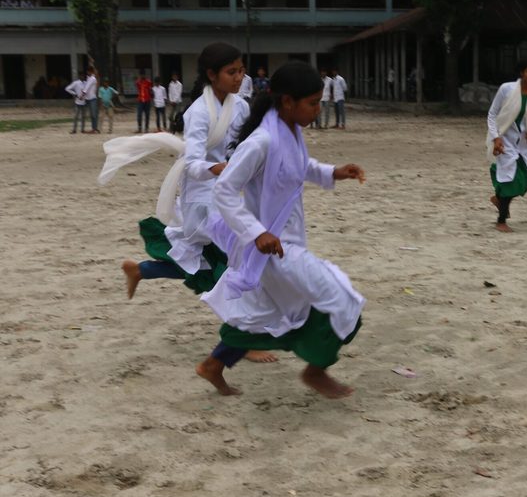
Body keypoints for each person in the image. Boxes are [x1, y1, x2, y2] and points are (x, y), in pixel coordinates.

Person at [197, 60, 367, 398]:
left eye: (320, 102)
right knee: (344, 299)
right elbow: (225, 190)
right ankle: (316, 371)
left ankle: (212, 366)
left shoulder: (290, 130)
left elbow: (301, 167)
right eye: (313, 103)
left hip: (285, 242)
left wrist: (334, 172)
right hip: (271, 248)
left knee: (265, 313)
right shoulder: (261, 141)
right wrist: (256, 233)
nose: (318, 110)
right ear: (287, 102)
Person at [107, 42, 276, 364]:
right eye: (232, 72)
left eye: (241, 70)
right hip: (202, 197)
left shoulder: (239, 106)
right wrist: (220, 168)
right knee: (234, 262)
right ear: (212, 75)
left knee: (202, 262)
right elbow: (193, 162)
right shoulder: (198, 112)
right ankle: (240, 339)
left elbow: (246, 142)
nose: (239, 77)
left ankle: (139, 270)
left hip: (224, 193)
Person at [486, 58, 527, 233]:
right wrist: (495, 137)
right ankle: (501, 220)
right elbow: (492, 114)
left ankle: (498, 199)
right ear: (522, 72)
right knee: (509, 180)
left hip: (524, 142)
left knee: (525, 181)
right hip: (505, 140)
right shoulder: (507, 89)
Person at [84, 67, 100, 133]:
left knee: (93, 114)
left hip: (92, 98)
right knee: (93, 114)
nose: (87, 73)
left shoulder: (92, 78)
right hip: (88, 98)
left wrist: (82, 95)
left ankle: (95, 128)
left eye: (88, 72)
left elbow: (87, 87)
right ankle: (94, 128)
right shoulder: (89, 78)